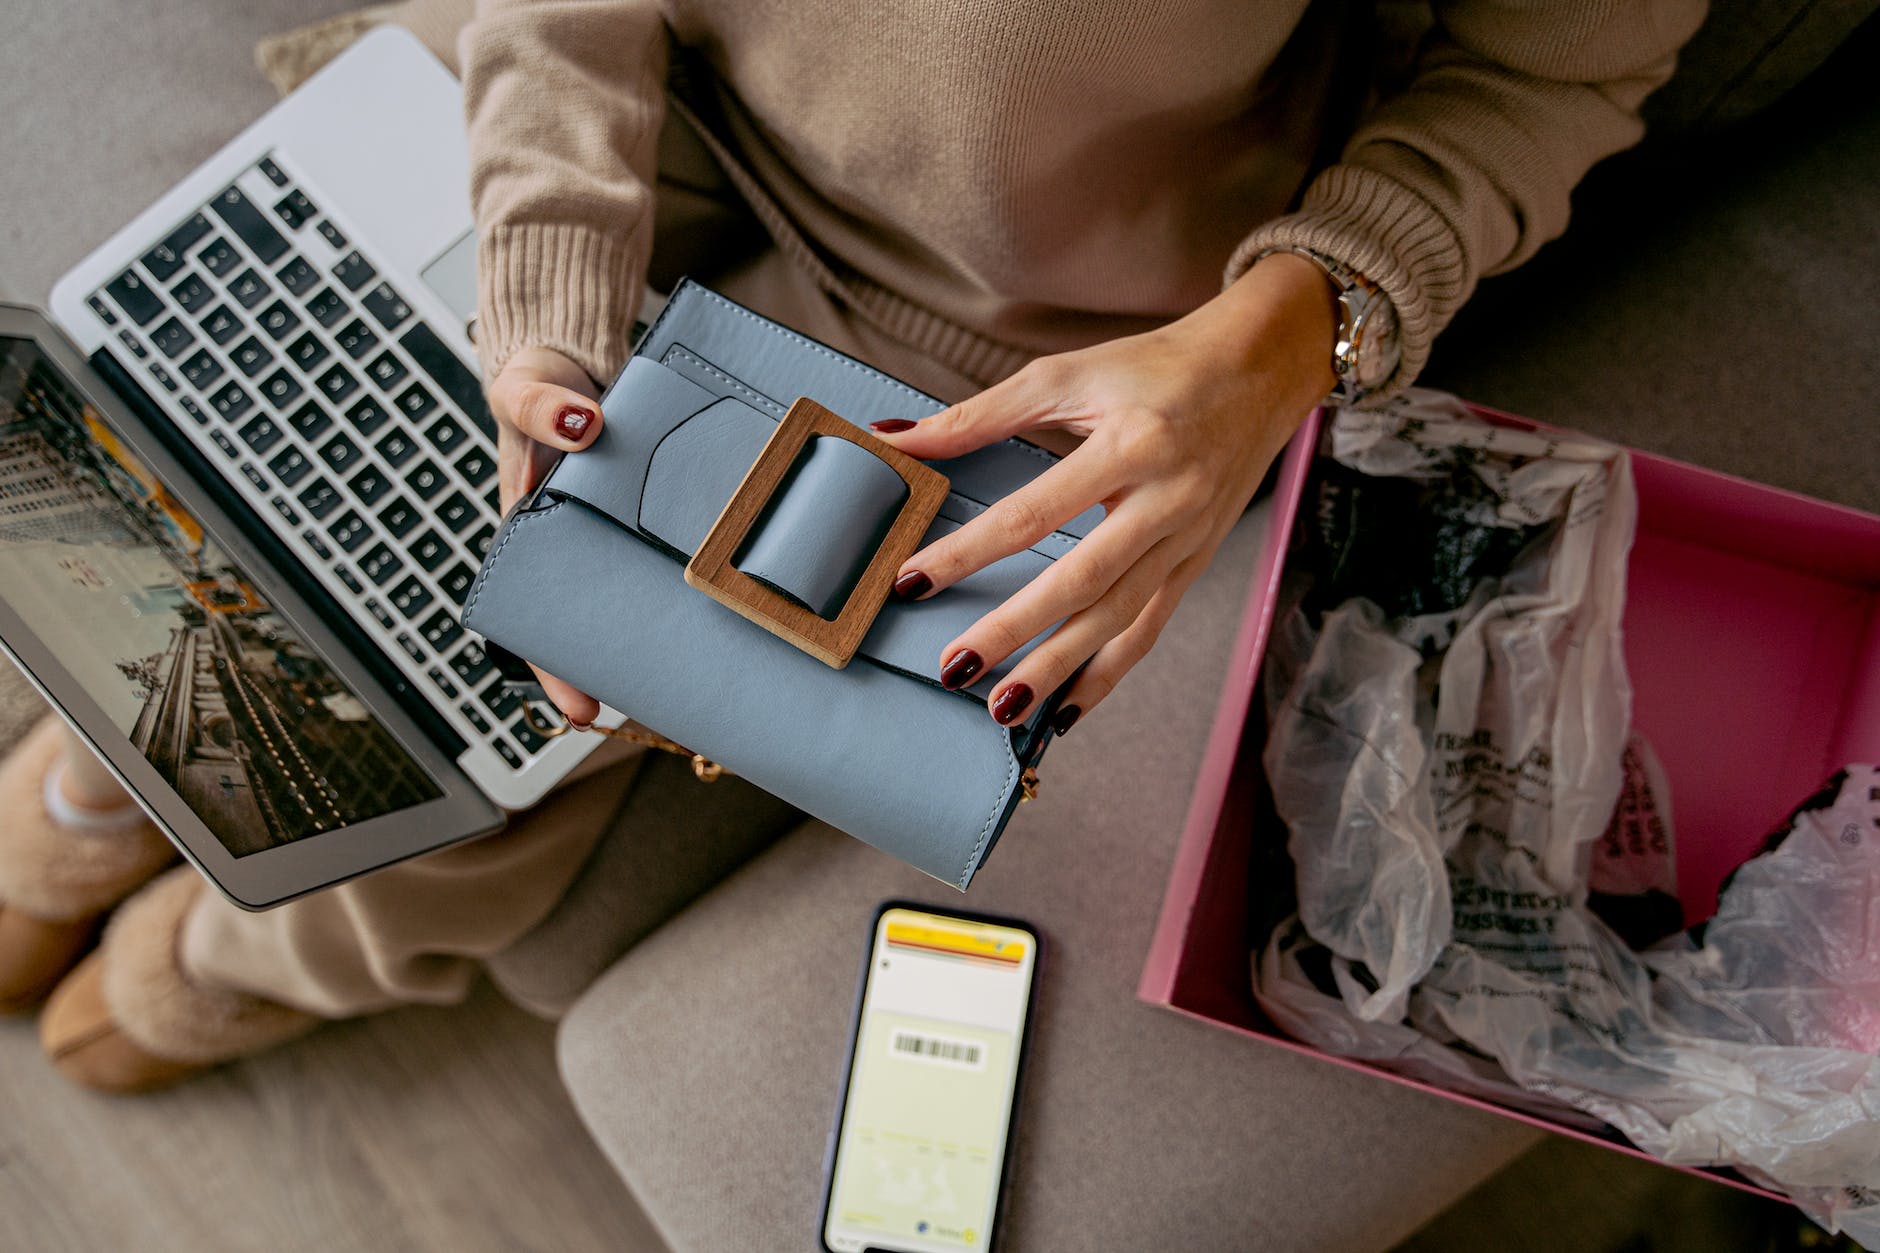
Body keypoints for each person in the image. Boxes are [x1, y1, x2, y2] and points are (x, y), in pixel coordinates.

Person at [0, 0, 1706, 1090]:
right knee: (260, 458)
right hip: (609, 81)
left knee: (517, 719)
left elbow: (1554, 63)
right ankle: (102, 777)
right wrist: (545, 283)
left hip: (1011, 315)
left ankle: (246, 952)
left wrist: (1289, 332)